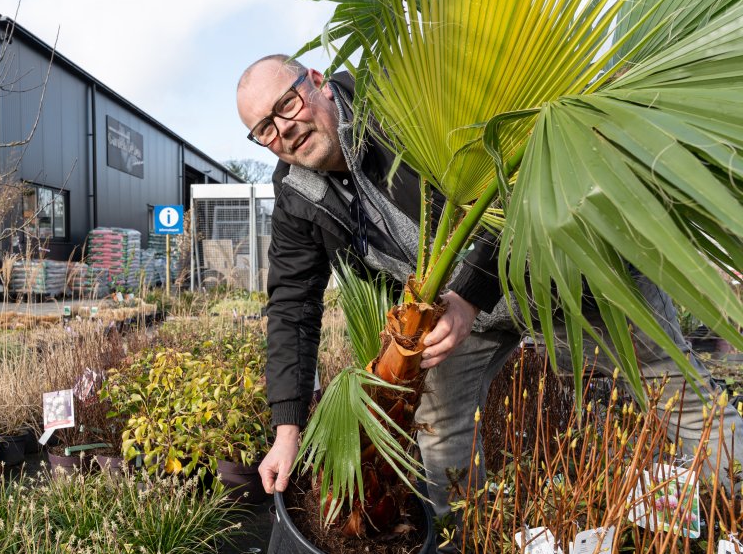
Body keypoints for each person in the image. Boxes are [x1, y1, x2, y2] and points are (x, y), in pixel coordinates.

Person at [236, 54, 743, 517]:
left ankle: (734, 514)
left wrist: (469, 297)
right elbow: (292, 307)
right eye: (265, 130)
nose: (286, 130)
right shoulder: (297, 192)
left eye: (288, 104)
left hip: (565, 272)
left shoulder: (398, 99)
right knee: (439, 424)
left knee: (675, 390)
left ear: (319, 83)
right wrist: (288, 427)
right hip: (459, 314)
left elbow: (524, 180)